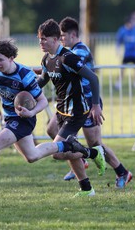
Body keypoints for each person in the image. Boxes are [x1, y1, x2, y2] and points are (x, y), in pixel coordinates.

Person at [0, 39, 99, 205]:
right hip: (10, 119)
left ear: (11, 58)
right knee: (32, 156)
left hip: (24, 120)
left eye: (0, 59)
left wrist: (31, 112)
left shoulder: (24, 75)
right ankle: (71, 146)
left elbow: (42, 101)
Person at [45, 16, 132, 188]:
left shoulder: (80, 51)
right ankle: (80, 157)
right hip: (71, 103)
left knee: (95, 143)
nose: (60, 39)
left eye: (62, 36)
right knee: (52, 129)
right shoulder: (65, 53)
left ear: (73, 34)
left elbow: (68, 66)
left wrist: (95, 105)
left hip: (87, 101)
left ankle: (122, 171)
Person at [36, 19, 107, 197]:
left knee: (58, 153)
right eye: (39, 39)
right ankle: (87, 189)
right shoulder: (46, 59)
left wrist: (96, 106)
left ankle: (93, 153)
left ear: (55, 39)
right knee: (58, 137)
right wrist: (24, 87)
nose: (41, 42)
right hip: (61, 109)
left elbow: (93, 78)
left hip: (76, 112)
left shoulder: (68, 58)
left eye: (44, 39)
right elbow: (42, 81)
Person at [115, 15, 135, 89]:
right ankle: (118, 83)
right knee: (122, 69)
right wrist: (118, 49)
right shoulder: (122, 30)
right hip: (126, 54)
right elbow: (118, 41)